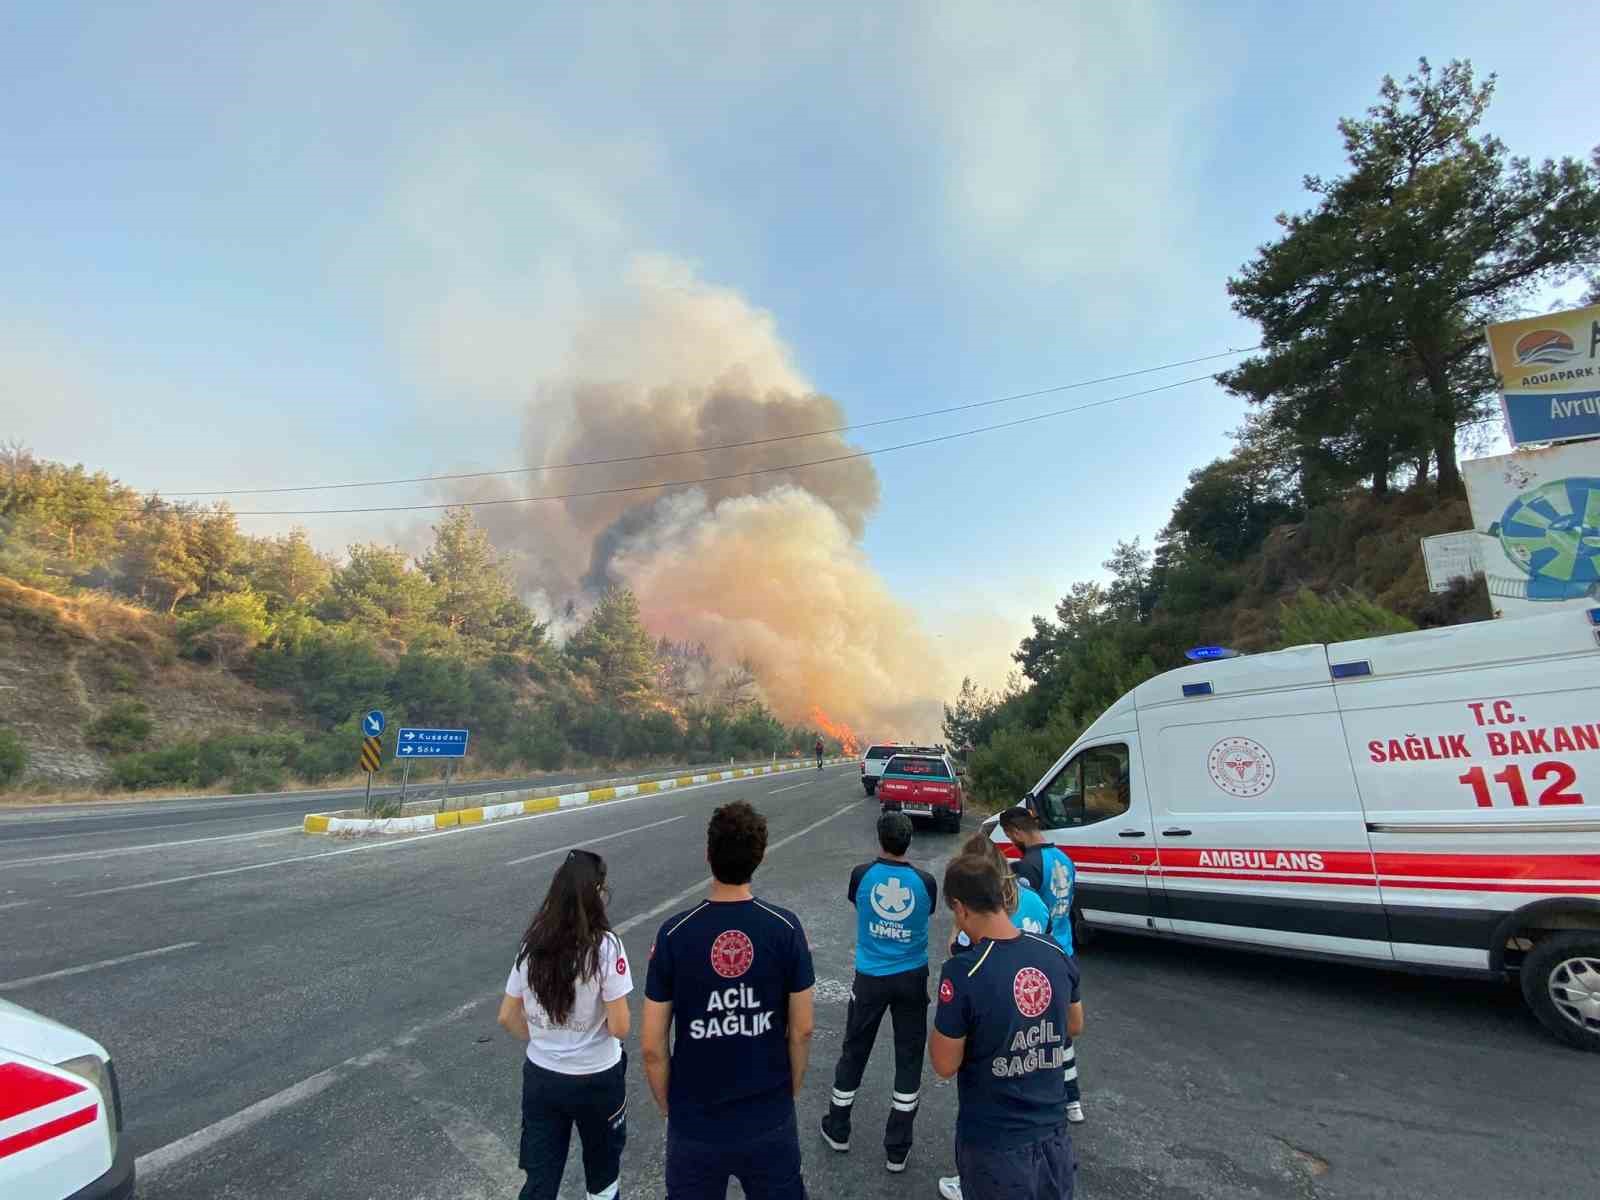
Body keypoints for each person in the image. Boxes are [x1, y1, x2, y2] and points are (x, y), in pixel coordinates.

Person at [642, 801, 815, 1199]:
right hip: (768, 1117)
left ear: (708, 856)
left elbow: (652, 1047)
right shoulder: (785, 929)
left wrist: (673, 1110)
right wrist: (789, 1092)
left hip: (695, 1124)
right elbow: (803, 1029)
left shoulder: (674, 934)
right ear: (760, 857)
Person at [930, 854, 1084, 1200]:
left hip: (994, 1144)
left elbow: (943, 1064)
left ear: (960, 907)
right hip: (1053, 1136)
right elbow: (1074, 1024)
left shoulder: (964, 971)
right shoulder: (1053, 950)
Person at [498, 849, 632, 1200]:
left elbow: (507, 1016)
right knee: (602, 1180)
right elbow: (620, 1027)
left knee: (540, 1182)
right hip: (597, 1079)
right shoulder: (605, 946)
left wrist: (545, 1041)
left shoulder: (532, 944)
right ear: (596, 892)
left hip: (543, 1078)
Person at [821, 811, 939, 1172]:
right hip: (912, 978)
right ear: (910, 840)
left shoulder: (862, 876)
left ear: (879, 838)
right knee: (908, 1058)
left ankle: (838, 1127)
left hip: (870, 978)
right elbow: (928, 912)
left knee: (854, 1051)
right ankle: (898, 1147)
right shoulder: (926, 882)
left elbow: (860, 904)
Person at [998, 806, 1084, 1124]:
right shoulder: (1064, 858)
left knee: (1032, 1035)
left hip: (1041, 956)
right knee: (1062, 1033)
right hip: (1066, 952)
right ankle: (1072, 1099)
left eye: (1009, 836)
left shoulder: (1029, 866)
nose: (1011, 842)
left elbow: (1027, 915)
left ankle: (1034, 1100)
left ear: (1016, 831)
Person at [949, 833, 1051, 953]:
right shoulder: (1035, 898)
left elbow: (958, 955)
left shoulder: (976, 908)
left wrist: (957, 924)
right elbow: (1048, 933)